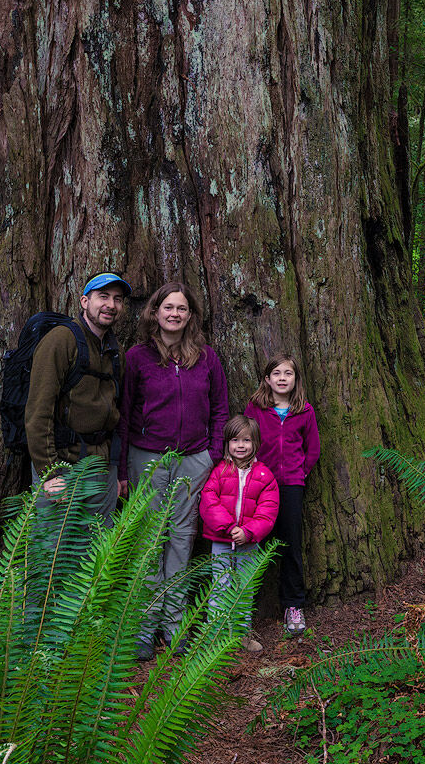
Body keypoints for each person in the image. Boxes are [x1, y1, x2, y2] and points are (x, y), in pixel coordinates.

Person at [117, 281, 230, 660]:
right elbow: (124, 412)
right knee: (150, 541)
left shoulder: (206, 357)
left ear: (190, 315)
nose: (174, 314)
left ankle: (175, 624)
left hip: (193, 459)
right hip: (146, 457)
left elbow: (219, 409)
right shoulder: (136, 357)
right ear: (155, 311)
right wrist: (121, 469)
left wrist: (211, 455)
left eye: (182, 308)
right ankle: (145, 629)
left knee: (181, 540)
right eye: (168, 307)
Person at [25, 271, 128, 520]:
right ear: (84, 301)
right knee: (54, 547)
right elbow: (38, 412)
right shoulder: (61, 341)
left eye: (117, 299)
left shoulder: (116, 351)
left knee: (96, 545)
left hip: (101, 468)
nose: (110, 305)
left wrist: (113, 473)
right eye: (103, 296)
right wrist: (50, 473)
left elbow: (115, 412)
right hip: (62, 465)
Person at [242, 353, 319, 635]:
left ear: (295, 379)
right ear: (267, 379)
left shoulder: (304, 410)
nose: (282, 378)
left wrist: (299, 473)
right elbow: (247, 440)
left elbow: (313, 450)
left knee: (289, 545)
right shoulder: (256, 407)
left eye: (288, 374)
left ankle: (293, 606)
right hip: (260, 485)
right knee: (253, 544)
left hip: (291, 487)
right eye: (276, 374)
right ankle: (243, 609)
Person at [198, 415, 280, 653]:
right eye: (235, 440)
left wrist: (248, 532)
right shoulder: (219, 471)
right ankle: (215, 636)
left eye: (246, 440)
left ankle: (242, 635)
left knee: (244, 588)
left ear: (255, 443)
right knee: (220, 587)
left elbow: (268, 511)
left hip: (249, 544)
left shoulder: (265, 476)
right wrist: (229, 528)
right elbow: (209, 502)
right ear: (227, 443)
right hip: (221, 543)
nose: (241, 445)